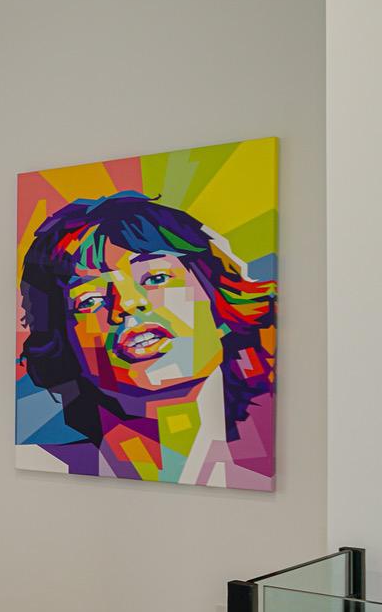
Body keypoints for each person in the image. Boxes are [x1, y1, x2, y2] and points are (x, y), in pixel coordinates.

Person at [17, 190, 275, 488]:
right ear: (64, 342)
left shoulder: (280, 462)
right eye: (89, 299)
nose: (127, 304)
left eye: (156, 278)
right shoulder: (44, 468)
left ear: (216, 298)